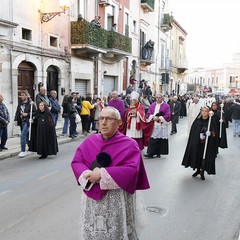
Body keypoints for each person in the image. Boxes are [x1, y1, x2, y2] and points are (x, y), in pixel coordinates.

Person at [71, 106, 150, 239]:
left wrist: (102, 173)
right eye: (101, 118)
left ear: (119, 123)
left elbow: (132, 170)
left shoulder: (129, 144)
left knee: (114, 232)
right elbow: (77, 162)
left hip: (116, 199)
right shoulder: (90, 141)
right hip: (92, 200)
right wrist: (87, 174)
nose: (103, 122)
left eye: (108, 119)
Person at [182, 106, 218, 180]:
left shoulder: (211, 121)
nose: (204, 112)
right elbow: (193, 132)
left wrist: (210, 133)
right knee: (197, 156)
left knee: (204, 157)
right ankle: (198, 170)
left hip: (207, 144)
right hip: (197, 143)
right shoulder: (197, 121)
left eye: (205, 111)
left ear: (208, 112)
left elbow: (215, 132)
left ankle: (202, 172)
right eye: (202, 111)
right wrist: (198, 135)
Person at [144, 93, 171, 158]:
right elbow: (149, 113)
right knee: (153, 138)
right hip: (154, 124)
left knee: (160, 139)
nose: (158, 99)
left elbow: (168, 115)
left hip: (162, 125)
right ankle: (150, 153)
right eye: (157, 97)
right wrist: (153, 117)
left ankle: (158, 153)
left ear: (162, 98)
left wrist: (159, 118)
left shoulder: (166, 106)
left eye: (159, 97)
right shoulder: (153, 105)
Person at [14, 91, 37, 158]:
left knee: (23, 135)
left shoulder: (31, 104)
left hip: (27, 121)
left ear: (27, 96)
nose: (22, 96)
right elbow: (17, 112)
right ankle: (30, 148)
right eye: (21, 95)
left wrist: (28, 114)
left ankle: (23, 150)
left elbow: (35, 112)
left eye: (23, 95)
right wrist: (15, 119)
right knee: (26, 136)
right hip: (21, 122)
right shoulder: (20, 104)